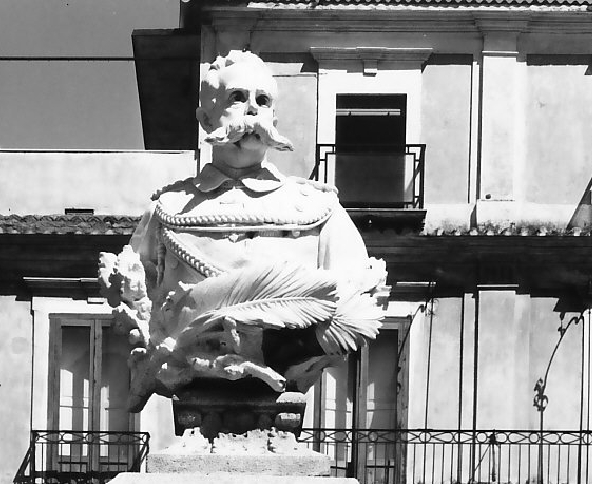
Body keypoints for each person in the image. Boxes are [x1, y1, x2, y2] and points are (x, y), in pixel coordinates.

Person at [99, 49, 389, 409]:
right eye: (237, 98)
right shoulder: (166, 210)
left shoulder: (320, 208)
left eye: (262, 101)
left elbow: (355, 297)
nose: (252, 111)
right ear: (205, 117)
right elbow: (139, 296)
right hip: (191, 370)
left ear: (274, 116)